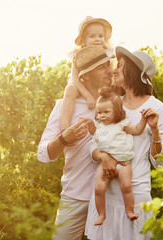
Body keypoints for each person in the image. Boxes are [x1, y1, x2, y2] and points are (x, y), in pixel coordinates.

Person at [85, 46, 163, 240]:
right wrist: (103, 157)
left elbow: (159, 161)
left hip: (136, 195)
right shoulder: (113, 103)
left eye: (120, 66)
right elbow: (93, 142)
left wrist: (154, 130)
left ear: (133, 72)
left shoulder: (156, 107)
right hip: (106, 194)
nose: (114, 70)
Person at [37, 45, 114, 240]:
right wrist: (64, 138)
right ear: (84, 76)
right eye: (101, 67)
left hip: (112, 197)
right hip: (75, 196)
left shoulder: (119, 103)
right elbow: (44, 154)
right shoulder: (65, 106)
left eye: (108, 64)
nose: (109, 70)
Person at [83, 87, 159, 226]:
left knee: (126, 186)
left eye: (106, 112)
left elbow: (137, 130)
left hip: (124, 162)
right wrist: (89, 124)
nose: (102, 115)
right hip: (105, 163)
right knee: (99, 188)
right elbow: (94, 133)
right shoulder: (99, 125)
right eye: (99, 112)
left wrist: (143, 119)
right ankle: (101, 214)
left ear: (117, 111)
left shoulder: (122, 124)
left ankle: (129, 211)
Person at [60, 16, 113, 131]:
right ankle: (64, 127)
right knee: (70, 90)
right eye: (92, 36)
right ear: (84, 40)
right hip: (80, 83)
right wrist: (87, 95)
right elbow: (75, 79)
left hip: (100, 83)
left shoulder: (108, 53)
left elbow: (111, 72)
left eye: (100, 36)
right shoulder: (79, 55)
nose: (97, 39)